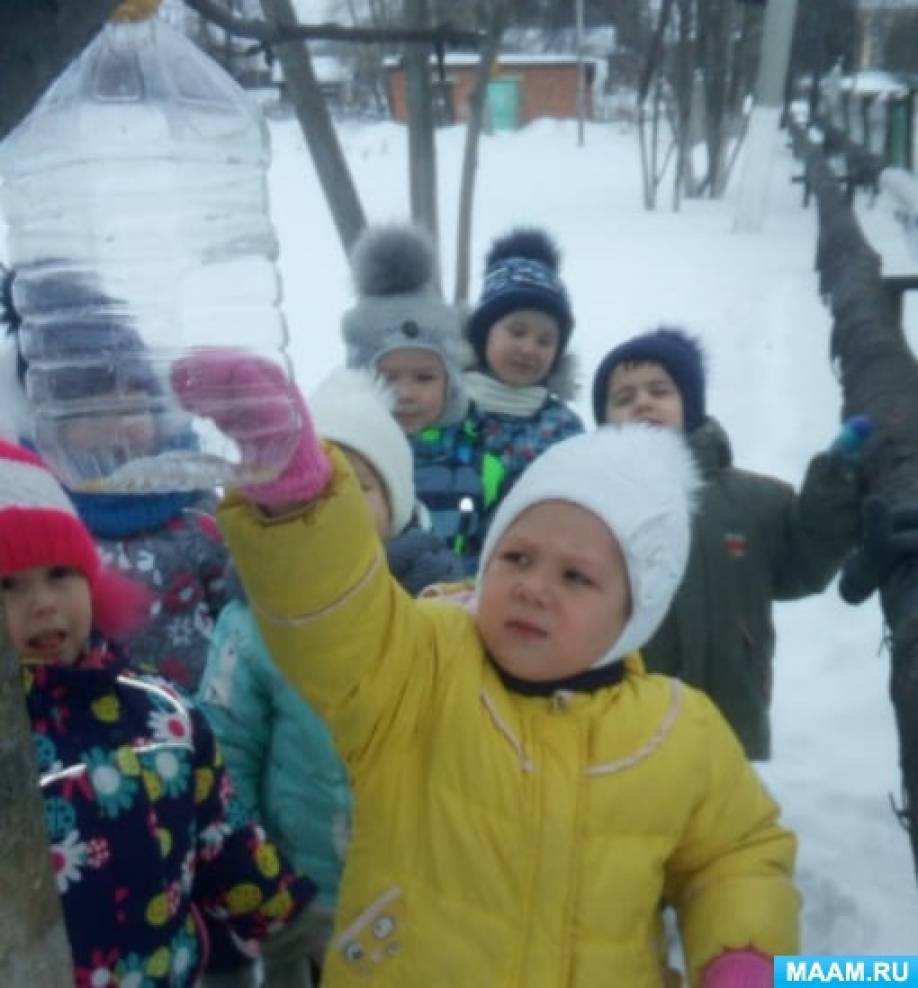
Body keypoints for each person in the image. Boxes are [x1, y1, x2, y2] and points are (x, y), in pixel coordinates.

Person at [171, 348, 800, 988]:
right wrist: (296, 492)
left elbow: (737, 856)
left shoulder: (680, 732)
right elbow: (334, 615)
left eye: (576, 576)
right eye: (517, 557)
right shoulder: (423, 666)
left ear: (635, 611)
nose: (534, 587)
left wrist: (742, 955)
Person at [0, 437, 314, 988]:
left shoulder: (160, 713)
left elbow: (222, 837)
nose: (44, 602)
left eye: (60, 574)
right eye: (8, 584)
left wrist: (287, 917)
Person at [196, 369, 461, 988]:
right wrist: (255, 871)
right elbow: (228, 750)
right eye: (317, 488)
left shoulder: (439, 606)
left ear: (397, 504)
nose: (333, 506)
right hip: (299, 888)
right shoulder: (253, 622)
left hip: (417, 886)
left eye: (357, 486)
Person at [591, 326, 863, 759]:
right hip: (621, 728)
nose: (642, 403)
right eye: (624, 398)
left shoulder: (752, 501)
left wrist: (832, 489)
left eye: (659, 391)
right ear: (605, 422)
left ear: (691, 404)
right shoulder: (591, 506)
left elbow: (804, 565)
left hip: (727, 722)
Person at [0, 266, 231, 690]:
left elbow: (244, 612)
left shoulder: (194, 507)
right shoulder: (44, 523)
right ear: (48, 425)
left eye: (136, 407)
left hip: (210, 717)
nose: (124, 426)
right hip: (80, 714)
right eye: (96, 413)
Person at [341, 223, 504, 575]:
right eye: (388, 378)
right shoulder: (344, 459)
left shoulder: (482, 461)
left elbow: (499, 548)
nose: (406, 393)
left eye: (424, 378)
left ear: (450, 383)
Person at [464, 227, 584, 491]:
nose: (529, 349)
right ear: (484, 335)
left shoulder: (564, 429)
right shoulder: (447, 409)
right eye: (517, 332)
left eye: (545, 341)